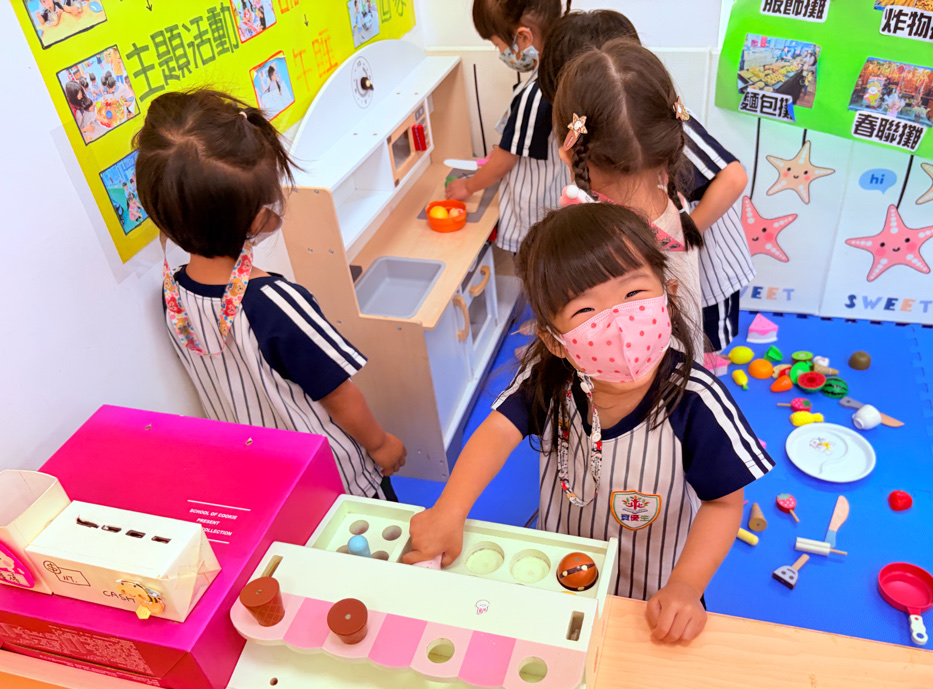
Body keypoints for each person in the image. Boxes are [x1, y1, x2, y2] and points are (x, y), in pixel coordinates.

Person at [403, 204, 772, 643]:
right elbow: (498, 430)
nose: (618, 323)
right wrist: (449, 510)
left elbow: (723, 504)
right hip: (559, 570)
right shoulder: (549, 378)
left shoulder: (697, 400)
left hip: (652, 591)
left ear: (669, 295)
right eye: (585, 310)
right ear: (554, 341)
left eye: (633, 293)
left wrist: (687, 586)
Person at [134, 89, 406, 500]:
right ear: (260, 218)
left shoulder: (173, 294)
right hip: (336, 477)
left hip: (261, 475)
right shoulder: (277, 303)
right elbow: (338, 393)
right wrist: (381, 444)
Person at [546, 28, 755, 351]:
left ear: (570, 150)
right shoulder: (671, 203)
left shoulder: (618, 240)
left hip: (653, 370)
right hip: (678, 362)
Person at [552, 40, 705, 345]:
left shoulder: (597, 236)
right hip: (686, 359)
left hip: (641, 367)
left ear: (569, 152)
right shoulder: (675, 203)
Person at [445, 0, 572, 262]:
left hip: (535, 216)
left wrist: (468, 186)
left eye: (498, 45)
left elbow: (505, 161)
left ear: (523, 37)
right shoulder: (559, 71)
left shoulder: (537, 94)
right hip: (555, 202)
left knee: (536, 272)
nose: (501, 53)